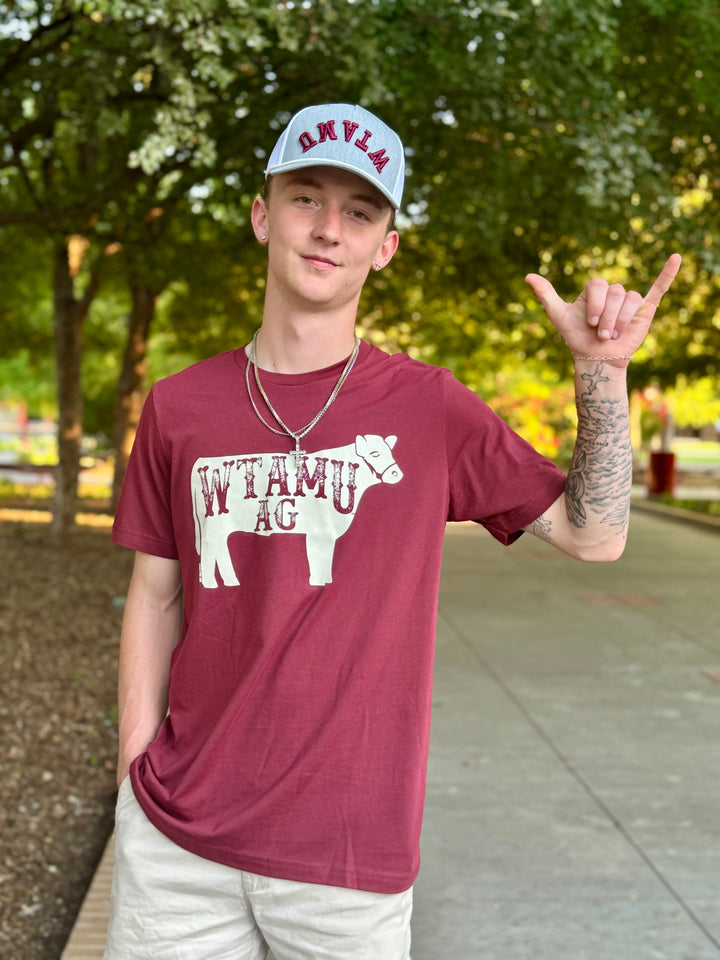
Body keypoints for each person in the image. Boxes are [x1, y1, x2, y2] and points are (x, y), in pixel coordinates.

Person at [104, 102, 680, 960]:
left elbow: (595, 536)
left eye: (360, 211)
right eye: (306, 197)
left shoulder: (427, 407)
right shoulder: (179, 406)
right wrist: (133, 773)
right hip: (176, 849)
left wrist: (601, 372)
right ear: (262, 215)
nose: (328, 228)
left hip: (348, 860)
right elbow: (155, 598)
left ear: (386, 247)